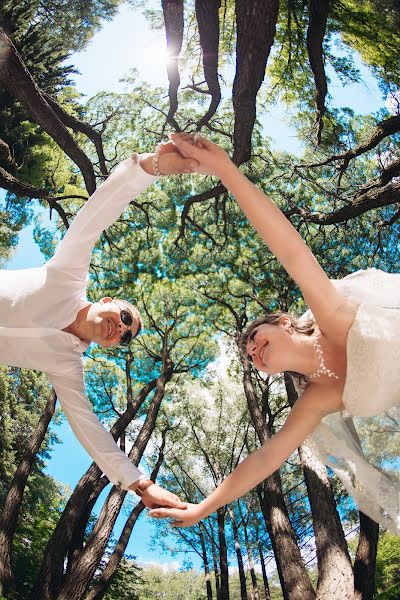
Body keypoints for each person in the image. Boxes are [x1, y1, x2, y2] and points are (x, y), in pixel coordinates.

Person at [149, 133, 400, 533]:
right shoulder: (318, 398)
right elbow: (266, 459)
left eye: (254, 336)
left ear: (284, 322)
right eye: (248, 355)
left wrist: (227, 172)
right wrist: (203, 508)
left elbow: (290, 250)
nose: (252, 349)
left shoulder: (332, 316)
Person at [0, 143, 198, 509]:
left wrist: (140, 484)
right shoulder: (67, 276)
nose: (120, 330)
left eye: (126, 338)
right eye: (125, 317)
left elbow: (89, 430)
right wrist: (149, 166)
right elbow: (94, 216)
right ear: (107, 301)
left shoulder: (66, 365)